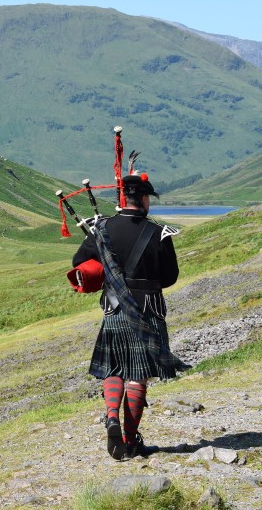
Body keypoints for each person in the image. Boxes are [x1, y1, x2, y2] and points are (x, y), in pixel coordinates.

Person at [72, 172, 185, 461]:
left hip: (114, 307)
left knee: (114, 369)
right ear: (144, 199)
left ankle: (111, 416)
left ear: (123, 198)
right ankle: (130, 440)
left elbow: (79, 263)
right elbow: (170, 277)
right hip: (148, 309)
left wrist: (108, 270)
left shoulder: (103, 227)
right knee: (138, 375)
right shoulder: (158, 232)